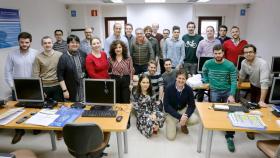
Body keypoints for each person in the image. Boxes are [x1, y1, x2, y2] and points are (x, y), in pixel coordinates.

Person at [4, 32, 38, 144]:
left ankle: (35, 126)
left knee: (34, 107)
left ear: (30, 42)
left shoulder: (35, 53)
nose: (24, 44)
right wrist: (12, 86)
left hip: (32, 85)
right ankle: (19, 131)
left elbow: (39, 69)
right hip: (17, 86)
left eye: (26, 42)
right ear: (18, 42)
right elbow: (7, 71)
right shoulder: (12, 54)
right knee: (17, 109)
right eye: (22, 42)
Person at [202, 44, 237, 152]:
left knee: (230, 113)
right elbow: (204, 71)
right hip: (214, 90)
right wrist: (206, 81)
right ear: (213, 53)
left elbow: (234, 81)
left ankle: (230, 136)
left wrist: (231, 94)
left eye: (220, 53)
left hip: (227, 91)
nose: (218, 55)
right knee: (215, 111)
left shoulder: (230, 65)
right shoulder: (208, 63)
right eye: (216, 53)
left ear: (223, 53)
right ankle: (216, 127)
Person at [164, 69, 197, 140]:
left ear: (186, 80)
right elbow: (166, 106)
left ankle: (183, 124)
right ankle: (179, 122)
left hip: (182, 110)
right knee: (171, 137)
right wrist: (180, 117)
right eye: (179, 78)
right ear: (176, 78)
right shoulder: (168, 88)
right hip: (171, 112)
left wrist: (186, 116)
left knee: (195, 119)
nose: (181, 80)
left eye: (183, 79)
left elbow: (192, 105)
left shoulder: (189, 90)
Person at [132, 74, 165, 138]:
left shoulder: (152, 92)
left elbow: (154, 105)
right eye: (143, 82)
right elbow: (138, 110)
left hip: (151, 112)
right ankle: (152, 126)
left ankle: (155, 125)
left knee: (162, 115)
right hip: (142, 115)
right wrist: (150, 116)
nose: (145, 84)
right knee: (149, 124)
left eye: (147, 82)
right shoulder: (136, 93)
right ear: (140, 83)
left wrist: (154, 113)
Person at [57, 34, 87, 102]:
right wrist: (65, 90)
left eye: (77, 42)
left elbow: (85, 69)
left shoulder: (83, 54)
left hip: (83, 87)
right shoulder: (63, 57)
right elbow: (60, 75)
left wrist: (84, 74)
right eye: (72, 42)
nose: (75, 44)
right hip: (71, 88)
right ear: (68, 44)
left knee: (84, 106)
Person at [32, 36, 63, 101]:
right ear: (42, 45)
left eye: (49, 43)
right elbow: (35, 75)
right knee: (44, 108)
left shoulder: (60, 55)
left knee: (59, 107)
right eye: (45, 43)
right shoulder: (38, 57)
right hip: (44, 87)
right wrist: (39, 90)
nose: (47, 45)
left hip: (58, 86)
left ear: (52, 44)